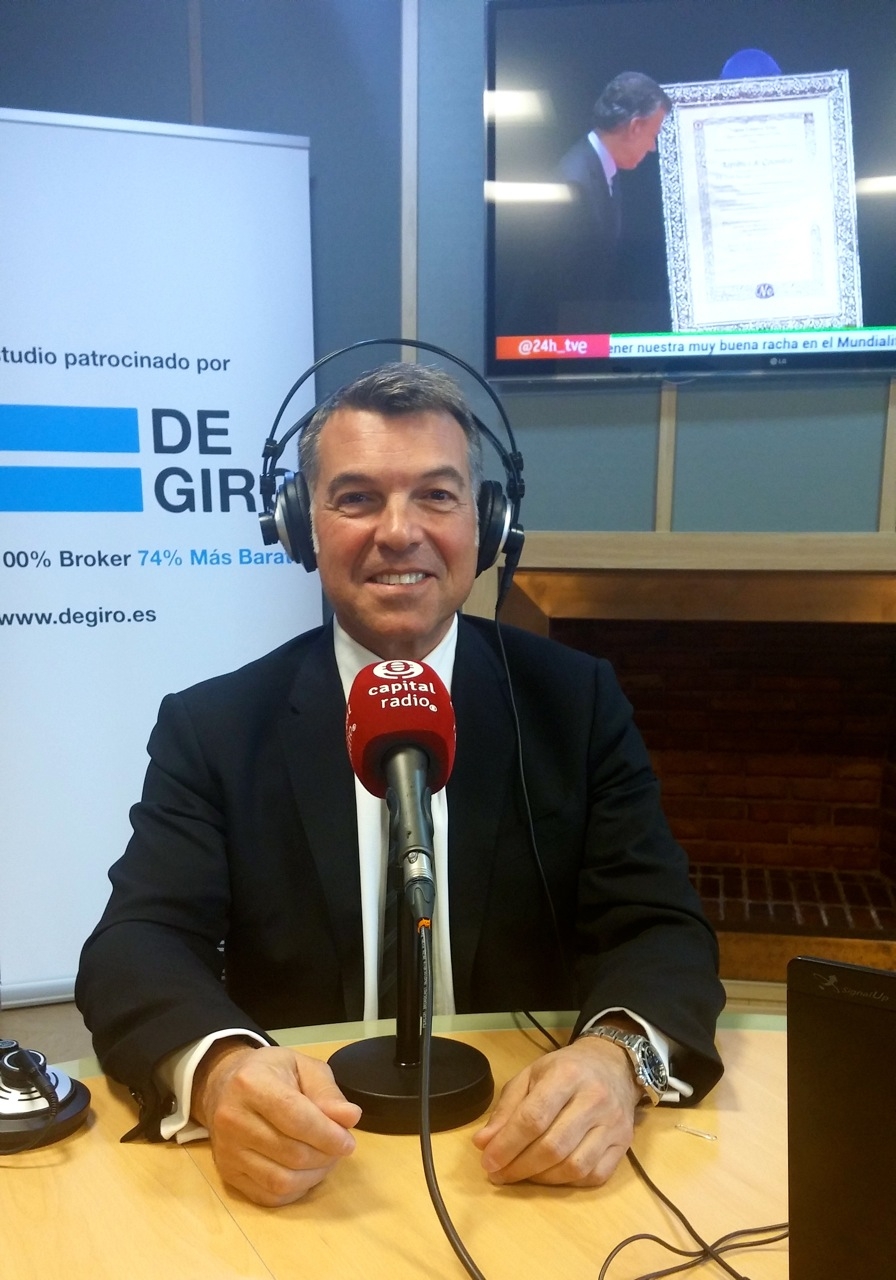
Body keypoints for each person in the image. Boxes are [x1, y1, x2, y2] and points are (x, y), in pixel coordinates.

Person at [76, 361, 724, 1208]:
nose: (398, 531)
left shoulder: (575, 703)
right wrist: (222, 1072)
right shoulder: (215, 726)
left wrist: (614, 1060)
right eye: (356, 498)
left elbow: (661, 928)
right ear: (300, 525)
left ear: (487, 522)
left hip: (516, 1156)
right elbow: (137, 946)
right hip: (313, 1162)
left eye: (436, 496)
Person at [497, 71, 671, 337]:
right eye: (653, 135)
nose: (652, 148)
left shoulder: (602, 169)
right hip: (552, 343)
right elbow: (558, 289)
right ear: (635, 127)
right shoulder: (575, 183)